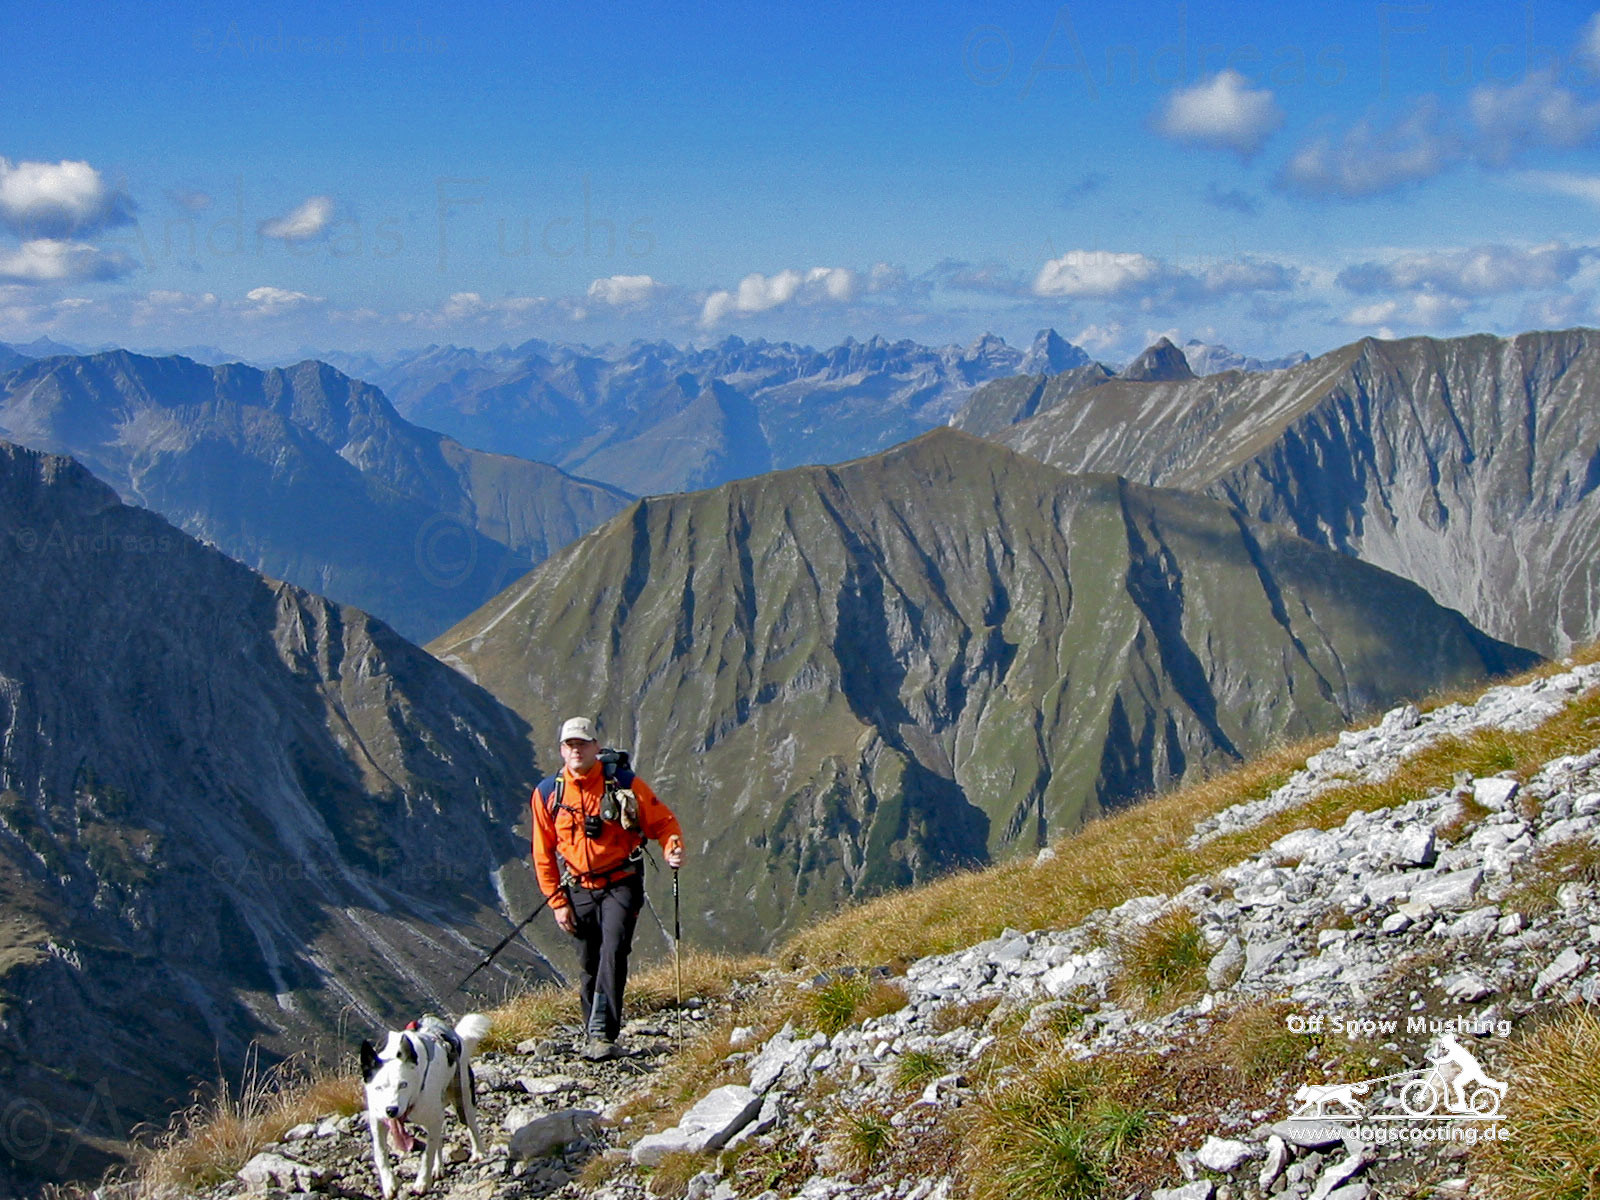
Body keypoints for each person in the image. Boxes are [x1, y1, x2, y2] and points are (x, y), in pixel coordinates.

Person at [530, 716, 685, 1061]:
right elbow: (542, 852)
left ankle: (603, 1032)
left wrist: (672, 845)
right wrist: (557, 901)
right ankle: (592, 1029)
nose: (576, 750)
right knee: (589, 962)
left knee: (613, 952)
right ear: (561, 750)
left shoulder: (623, 784)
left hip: (621, 881)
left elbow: (663, 821)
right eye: (570, 745)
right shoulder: (547, 794)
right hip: (578, 888)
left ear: (596, 748)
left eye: (582, 744)